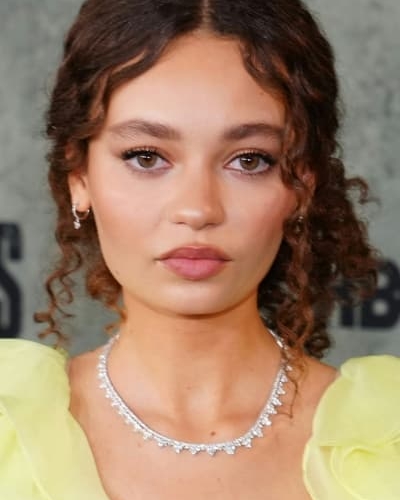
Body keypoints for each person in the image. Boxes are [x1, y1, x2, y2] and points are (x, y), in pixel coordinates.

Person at [0, 0, 399, 498]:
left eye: (249, 160)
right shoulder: (9, 424)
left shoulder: (390, 436)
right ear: (79, 176)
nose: (197, 209)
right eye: (147, 157)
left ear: (303, 185)